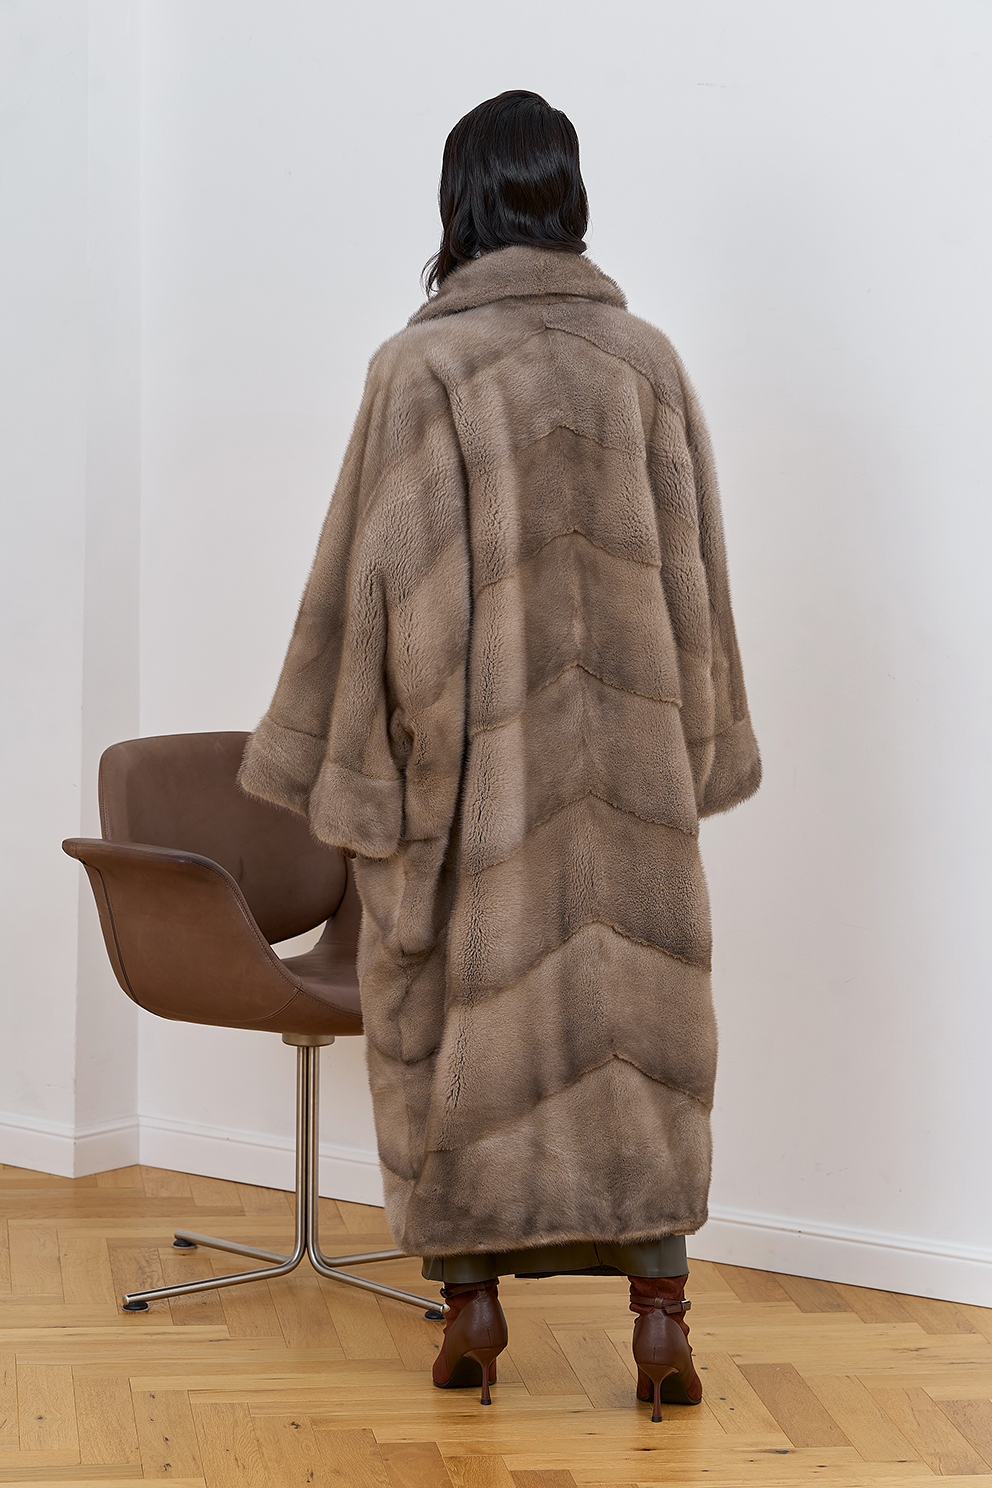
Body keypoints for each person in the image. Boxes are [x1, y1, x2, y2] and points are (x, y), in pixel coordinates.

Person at [238, 89, 762, 1422]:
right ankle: (660, 1313)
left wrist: (357, 776)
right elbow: (696, 587)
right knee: (638, 1038)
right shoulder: (645, 361)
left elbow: (370, 597)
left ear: (460, 200)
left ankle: (471, 1308)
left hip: (479, 790)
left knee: (458, 1027)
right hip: (633, 792)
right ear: (568, 196)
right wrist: (697, 748)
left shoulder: (421, 372)